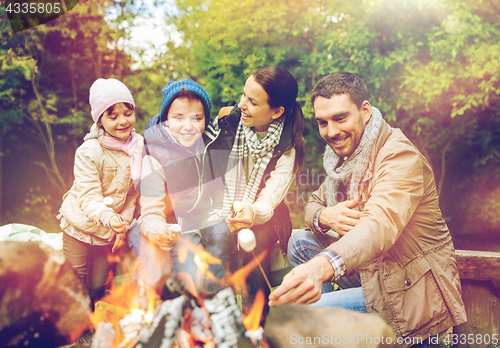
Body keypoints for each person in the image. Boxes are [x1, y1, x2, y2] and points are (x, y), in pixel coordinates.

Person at [268, 72, 466, 345]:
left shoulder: (398, 156)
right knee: (299, 241)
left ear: (365, 110)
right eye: (322, 122)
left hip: (409, 287)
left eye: (340, 118)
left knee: (303, 319)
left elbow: (378, 226)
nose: (331, 132)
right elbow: (313, 202)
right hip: (372, 273)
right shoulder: (345, 158)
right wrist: (325, 215)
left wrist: (320, 268)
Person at [205, 66, 305, 312]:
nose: (241, 104)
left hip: (265, 215)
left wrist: (251, 213)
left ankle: (257, 319)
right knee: (216, 234)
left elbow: (269, 200)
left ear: (277, 111)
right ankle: (221, 312)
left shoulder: (288, 147)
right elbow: (207, 159)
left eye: (252, 101)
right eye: (243, 95)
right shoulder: (229, 120)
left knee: (256, 243)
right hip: (222, 203)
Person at [129, 79, 226, 289]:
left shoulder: (211, 143)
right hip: (168, 228)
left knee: (199, 277)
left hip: (199, 226)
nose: (188, 126)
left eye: (197, 118)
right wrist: (159, 231)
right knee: (174, 277)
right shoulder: (155, 156)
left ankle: (211, 307)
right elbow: (150, 213)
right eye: (179, 118)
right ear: (166, 120)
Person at [58, 78, 143, 306]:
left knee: (98, 284)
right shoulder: (89, 151)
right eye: (112, 116)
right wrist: (108, 218)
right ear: (100, 120)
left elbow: (133, 194)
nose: (122, 121)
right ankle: (70, 326)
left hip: (109, 233)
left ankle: (93, 323)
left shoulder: (138, 149)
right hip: (81, 225)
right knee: (75, 280)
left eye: (127, 113)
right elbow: (89, 195)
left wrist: (121, 226)